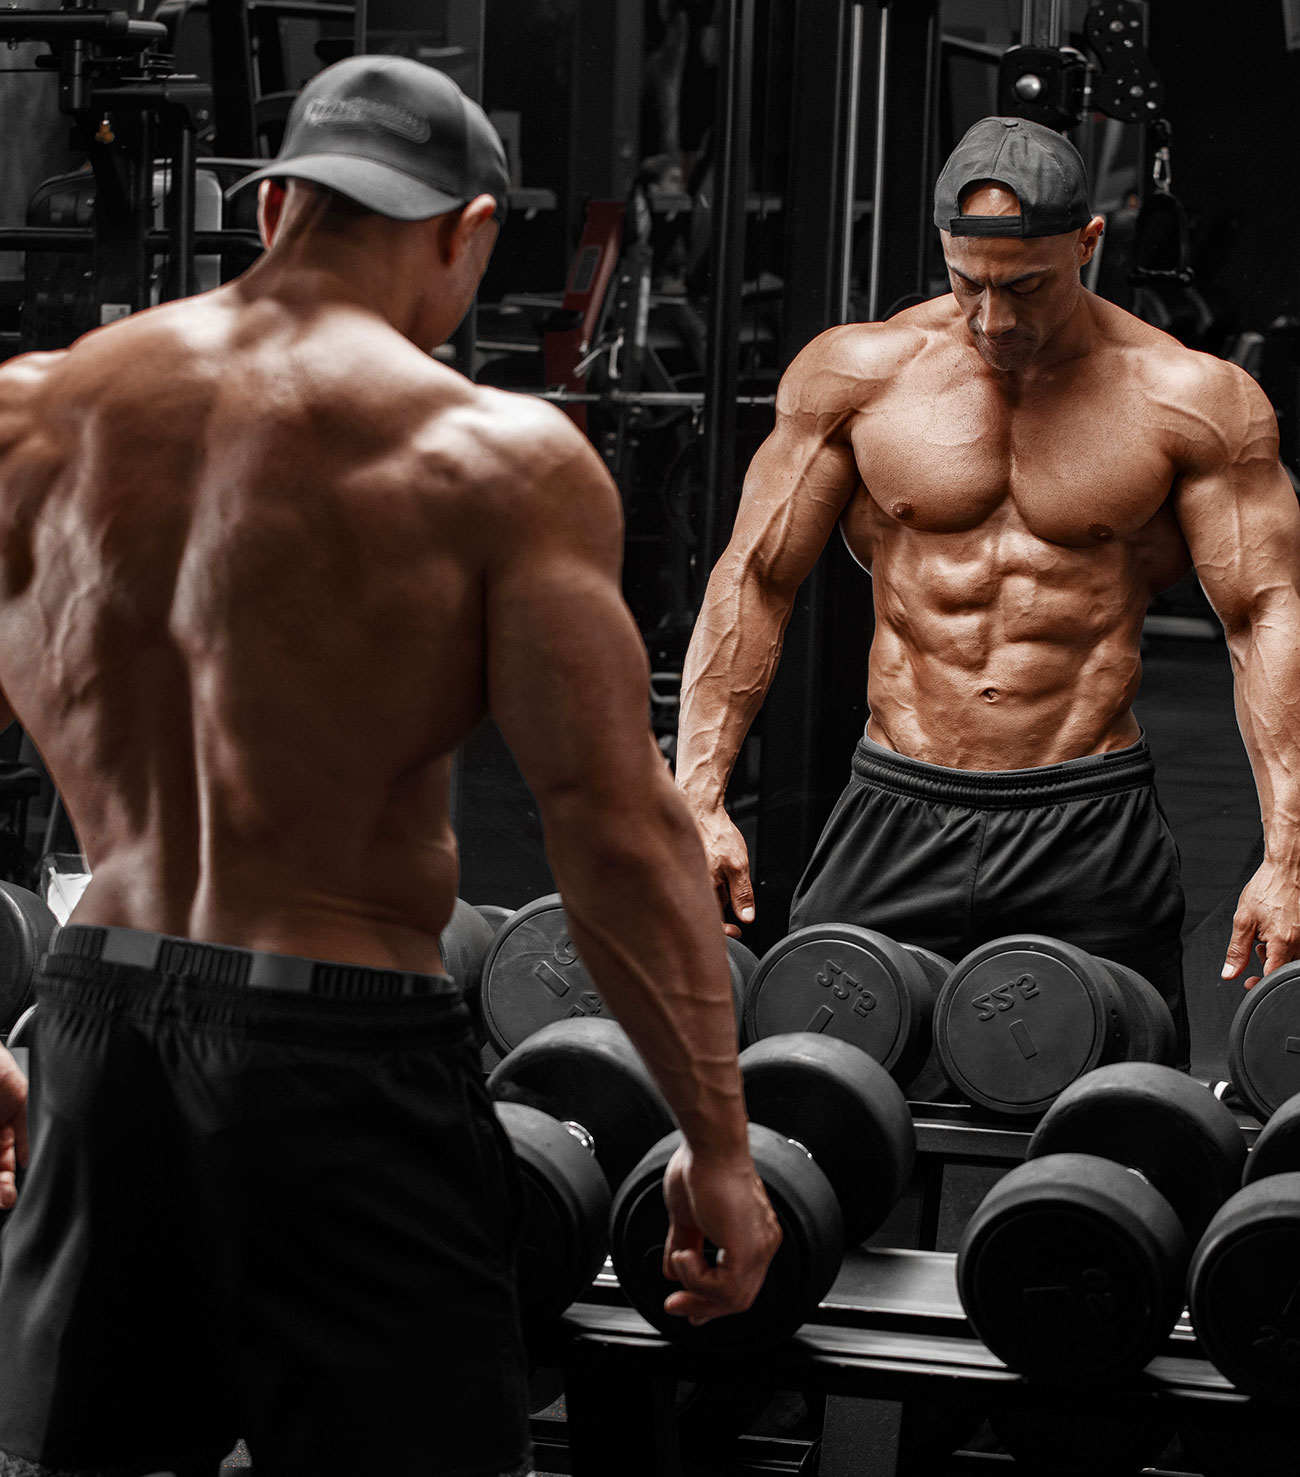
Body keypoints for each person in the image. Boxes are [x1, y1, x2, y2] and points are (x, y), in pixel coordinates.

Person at [0, 55, 780, 1477]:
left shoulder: (34, 415)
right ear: (465, 232)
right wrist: (714, 1142)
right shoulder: (489, 457)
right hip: (335, 1047)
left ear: (274, 206)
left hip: (94, 1017)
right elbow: (612, 837)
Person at [676, 115, 1300, 1069]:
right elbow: (754, 575)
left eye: (1029, 286)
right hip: (896, 802)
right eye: (969, 282)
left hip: (1086, 817)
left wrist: (1286, 854)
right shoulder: (857, 375)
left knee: (1116, 1137)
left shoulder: (1191, 398)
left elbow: (1264, 617)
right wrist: (700, 795)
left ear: (1090, 245)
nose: (995, 320)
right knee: (814, 1101)